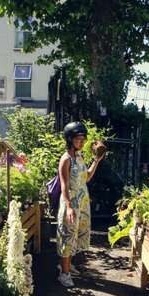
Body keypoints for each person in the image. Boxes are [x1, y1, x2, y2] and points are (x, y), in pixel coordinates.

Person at [56, 122, 105, 287]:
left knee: (75, 236)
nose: (82, 142)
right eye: (78, 139)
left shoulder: (79, 157)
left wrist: (96, 160)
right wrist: (69, 206)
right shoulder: (66, 159)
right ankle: (64, 274)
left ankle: (67, 266)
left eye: (84, 139)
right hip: (70, 203)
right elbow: (64, 185)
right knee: (67, 237)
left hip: (82, 203)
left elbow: (87, 177)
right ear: (70, 139)